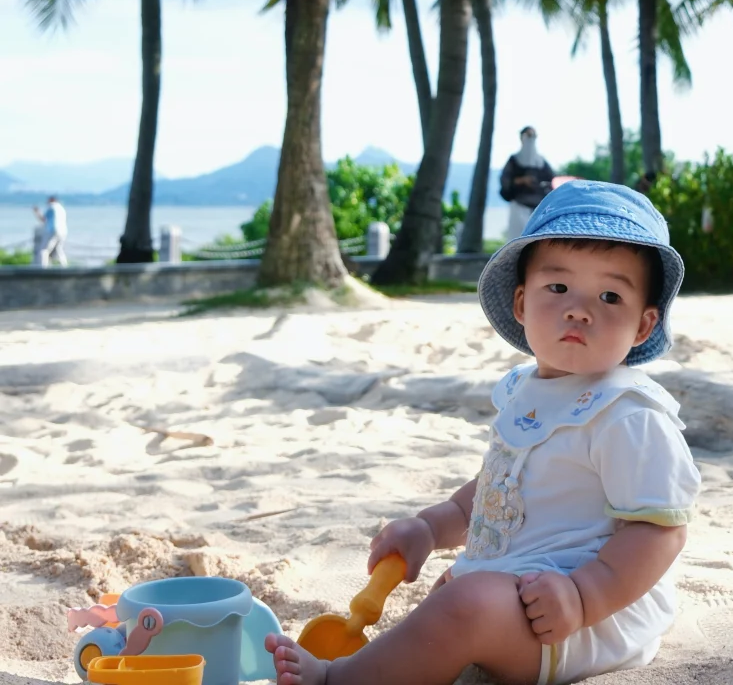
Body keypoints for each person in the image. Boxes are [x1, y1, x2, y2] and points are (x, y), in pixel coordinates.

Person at [265, 180, 700, 685]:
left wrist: (584, 597)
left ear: (643, 326)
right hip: (525, 585)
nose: (580, 309)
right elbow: (498, 492)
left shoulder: (628, 414)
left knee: (466, 603)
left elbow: (660, 530)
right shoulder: (525, 392)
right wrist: (431, 527)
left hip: (583, 616)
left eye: (609, 295)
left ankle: (337, 680)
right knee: (453, 597)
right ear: (521, 303)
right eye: (557, 288)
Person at [500, 126, 555, 240]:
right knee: (517, 238)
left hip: (538, 207)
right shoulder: (514, 160)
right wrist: (521, 180)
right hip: (519, 206)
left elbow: (551, 181)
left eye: (533, 136)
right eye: (528, 136)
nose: (531, 139)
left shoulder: (542, 162)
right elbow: (505, 182)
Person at [33, 196, 68, 268]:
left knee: (44, 250)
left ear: (51, 200)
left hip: (52, 231)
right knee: (59, 250)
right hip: (63, 231)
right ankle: (64, 267)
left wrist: (37, 212)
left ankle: (43, 269)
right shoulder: (61, 208)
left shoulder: (51, 207)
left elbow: (43, 219)